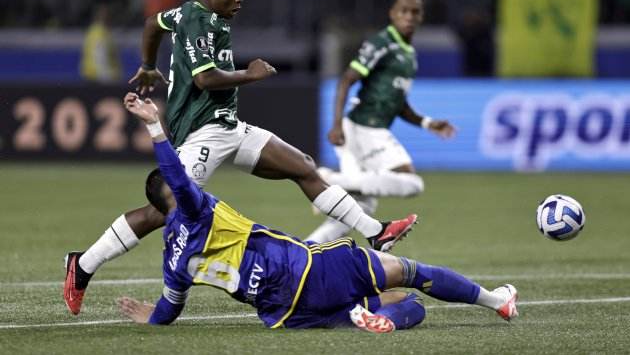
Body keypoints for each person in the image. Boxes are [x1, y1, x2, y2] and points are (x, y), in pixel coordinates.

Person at [64, 0, 417, 316]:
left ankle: (376, 232)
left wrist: (147, 65)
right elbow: (205, 78)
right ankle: (83, 264)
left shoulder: (189, 13)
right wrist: (250, 74)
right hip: (202, 135)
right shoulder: (200, 21)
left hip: (228, 127)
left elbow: (151, 23)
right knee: (162, 213)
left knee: (304, 168)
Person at [115, 93, 519, 332]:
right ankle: (496, 301)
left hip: (285, 314)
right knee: (410, 273)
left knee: (405, 303)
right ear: (172, 194)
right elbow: (179, 182)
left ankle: (381, 317)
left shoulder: (173, 259)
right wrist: (155, 127)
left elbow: (169, 308)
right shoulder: (193, 207)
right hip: (307, 270)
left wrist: (151, 318)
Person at [306, 0, 456, 243]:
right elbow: (346, 80)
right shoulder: (381, 43)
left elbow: (400, 104)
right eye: (403, 11)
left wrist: (428, 123)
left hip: (371, 129)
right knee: (412, 183)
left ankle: (304, 252)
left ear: (421, 17)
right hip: (363, 127)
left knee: (359, 210)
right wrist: (336, 124)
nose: (409, 16)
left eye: (415, 12)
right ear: (392, 14)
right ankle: (332, 179)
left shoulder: (408, 54)